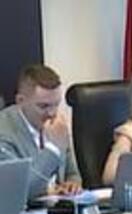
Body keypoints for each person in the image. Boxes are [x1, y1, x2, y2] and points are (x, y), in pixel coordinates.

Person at [0, 64, 81, 197]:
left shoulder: (56, 125)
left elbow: (72, 174)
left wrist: (72, 185)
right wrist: (53, 149)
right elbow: (21, 191)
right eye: (43, 106)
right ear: (20, 101)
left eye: (56, 104)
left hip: (59, 207)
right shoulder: (4, 132)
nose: (52, 113)